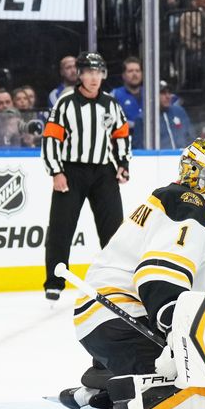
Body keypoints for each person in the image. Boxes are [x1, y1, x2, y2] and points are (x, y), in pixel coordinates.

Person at [55, 137, 205, 409]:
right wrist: (176, 336)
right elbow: (157, 276)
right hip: (121, 319)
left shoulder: (173, 201)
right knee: (177, 377)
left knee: (173, 364)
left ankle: (96, 386)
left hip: (103, 320)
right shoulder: (190, 207)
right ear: (199, 176)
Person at [41, 52, 132, 301]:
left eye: (98, 72)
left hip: (103, 172)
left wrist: (123, 164)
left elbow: (121, 134)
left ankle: (117, 279)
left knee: (114, 230)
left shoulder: (111, 104)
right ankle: (55, 282)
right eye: (89, 72)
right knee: (61, 227)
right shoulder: (66, 102)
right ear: (80, 75)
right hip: (71, 171)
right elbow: (51, 138)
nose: (94, 77)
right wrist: (56, 171)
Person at [112, 57, 145, 149]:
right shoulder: (115, 95)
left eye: (137, 71)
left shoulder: (151, 93)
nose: (135, 74)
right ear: (123, 75)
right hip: (125, 144)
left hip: (150, 141)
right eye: (130, 71)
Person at [159, 80, 196, 149]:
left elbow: (191, 138)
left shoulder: (179, 111)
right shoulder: (146, 118)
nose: (168, 96)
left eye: (169, 93)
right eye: (163, 93)